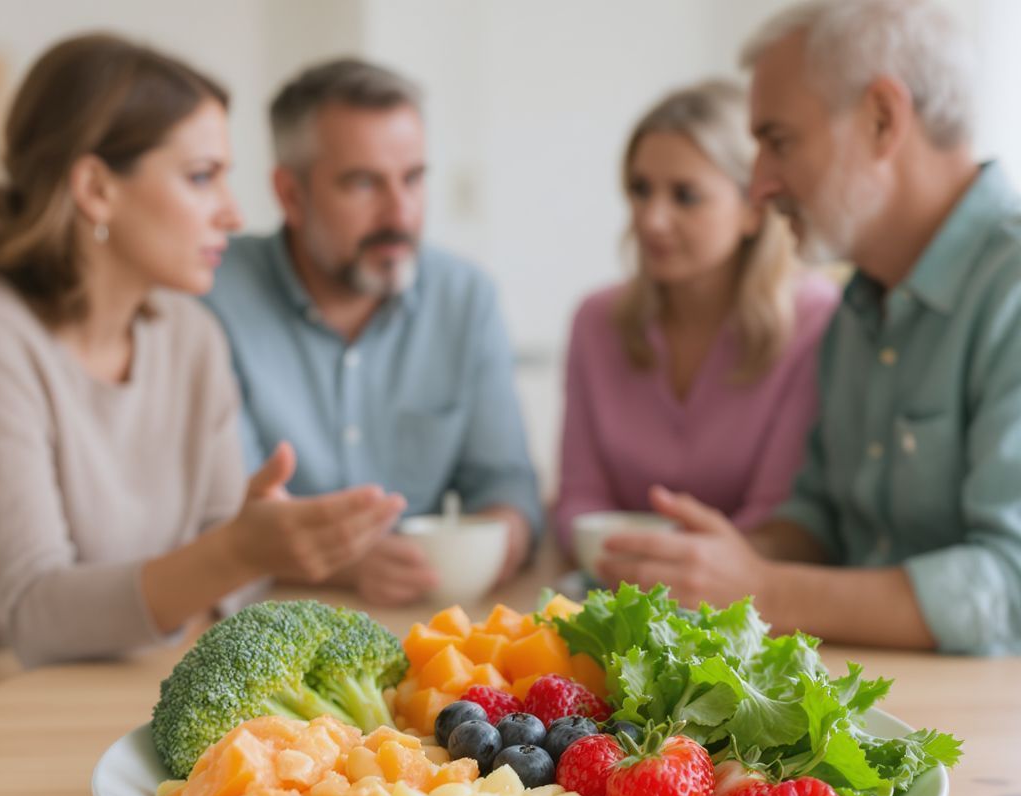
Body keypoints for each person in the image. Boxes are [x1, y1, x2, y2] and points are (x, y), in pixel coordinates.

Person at [598, 0, 1021, 655]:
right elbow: (822, 514)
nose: (760, 184)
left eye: (778, 141)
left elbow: (1010, 586)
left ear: (883, 119)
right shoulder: (857, 303)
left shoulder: (1010, 290)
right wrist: (717, 565)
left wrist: (765, 589)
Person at [0, 35, 404, 668]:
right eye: (200, 177)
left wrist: (251, 547)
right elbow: (30, 611)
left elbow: (229, 568)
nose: (234, 215)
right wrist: (240, 551)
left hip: (140, 690)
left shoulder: (190, 337)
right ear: (96, 188)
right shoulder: (9, 343)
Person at [204, 58, 541, 607]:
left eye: (413, 178)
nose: (400, 213)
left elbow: (505, 481)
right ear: (290, 195)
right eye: (363, 183)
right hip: (272, 627)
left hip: (435, 620)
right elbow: (219, 516)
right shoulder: (213, 299)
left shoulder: (466, 299)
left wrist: (498, 538)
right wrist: (349, 566)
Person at [554, 79, 838, 555]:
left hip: (742, 610)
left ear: (753, 208)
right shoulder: (595, 320)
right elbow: (578, 499)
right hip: (611, 592)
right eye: (640, 190)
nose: (651, 219)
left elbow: (781, 515)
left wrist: (678, 566)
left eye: (685, 196)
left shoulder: (813, 320)